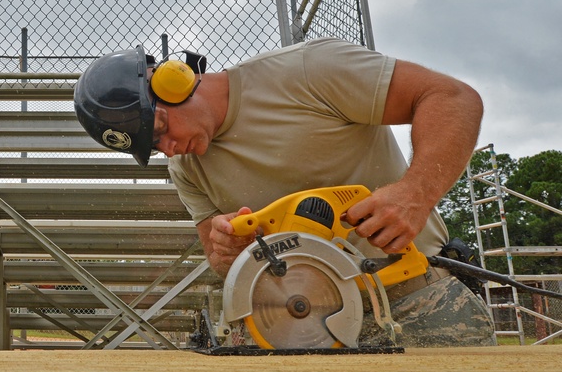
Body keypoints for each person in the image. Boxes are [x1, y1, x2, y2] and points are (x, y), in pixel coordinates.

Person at [73, 37, 497, 347]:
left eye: (161, 129)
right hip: (293, 321)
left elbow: (452, 97)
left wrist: (414, 194)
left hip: (413, 297)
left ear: (174, 81)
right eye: (151, 148)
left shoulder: (307, 71)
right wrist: (226, 248)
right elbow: (221, 259)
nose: (168, 149)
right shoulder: (186, 167)